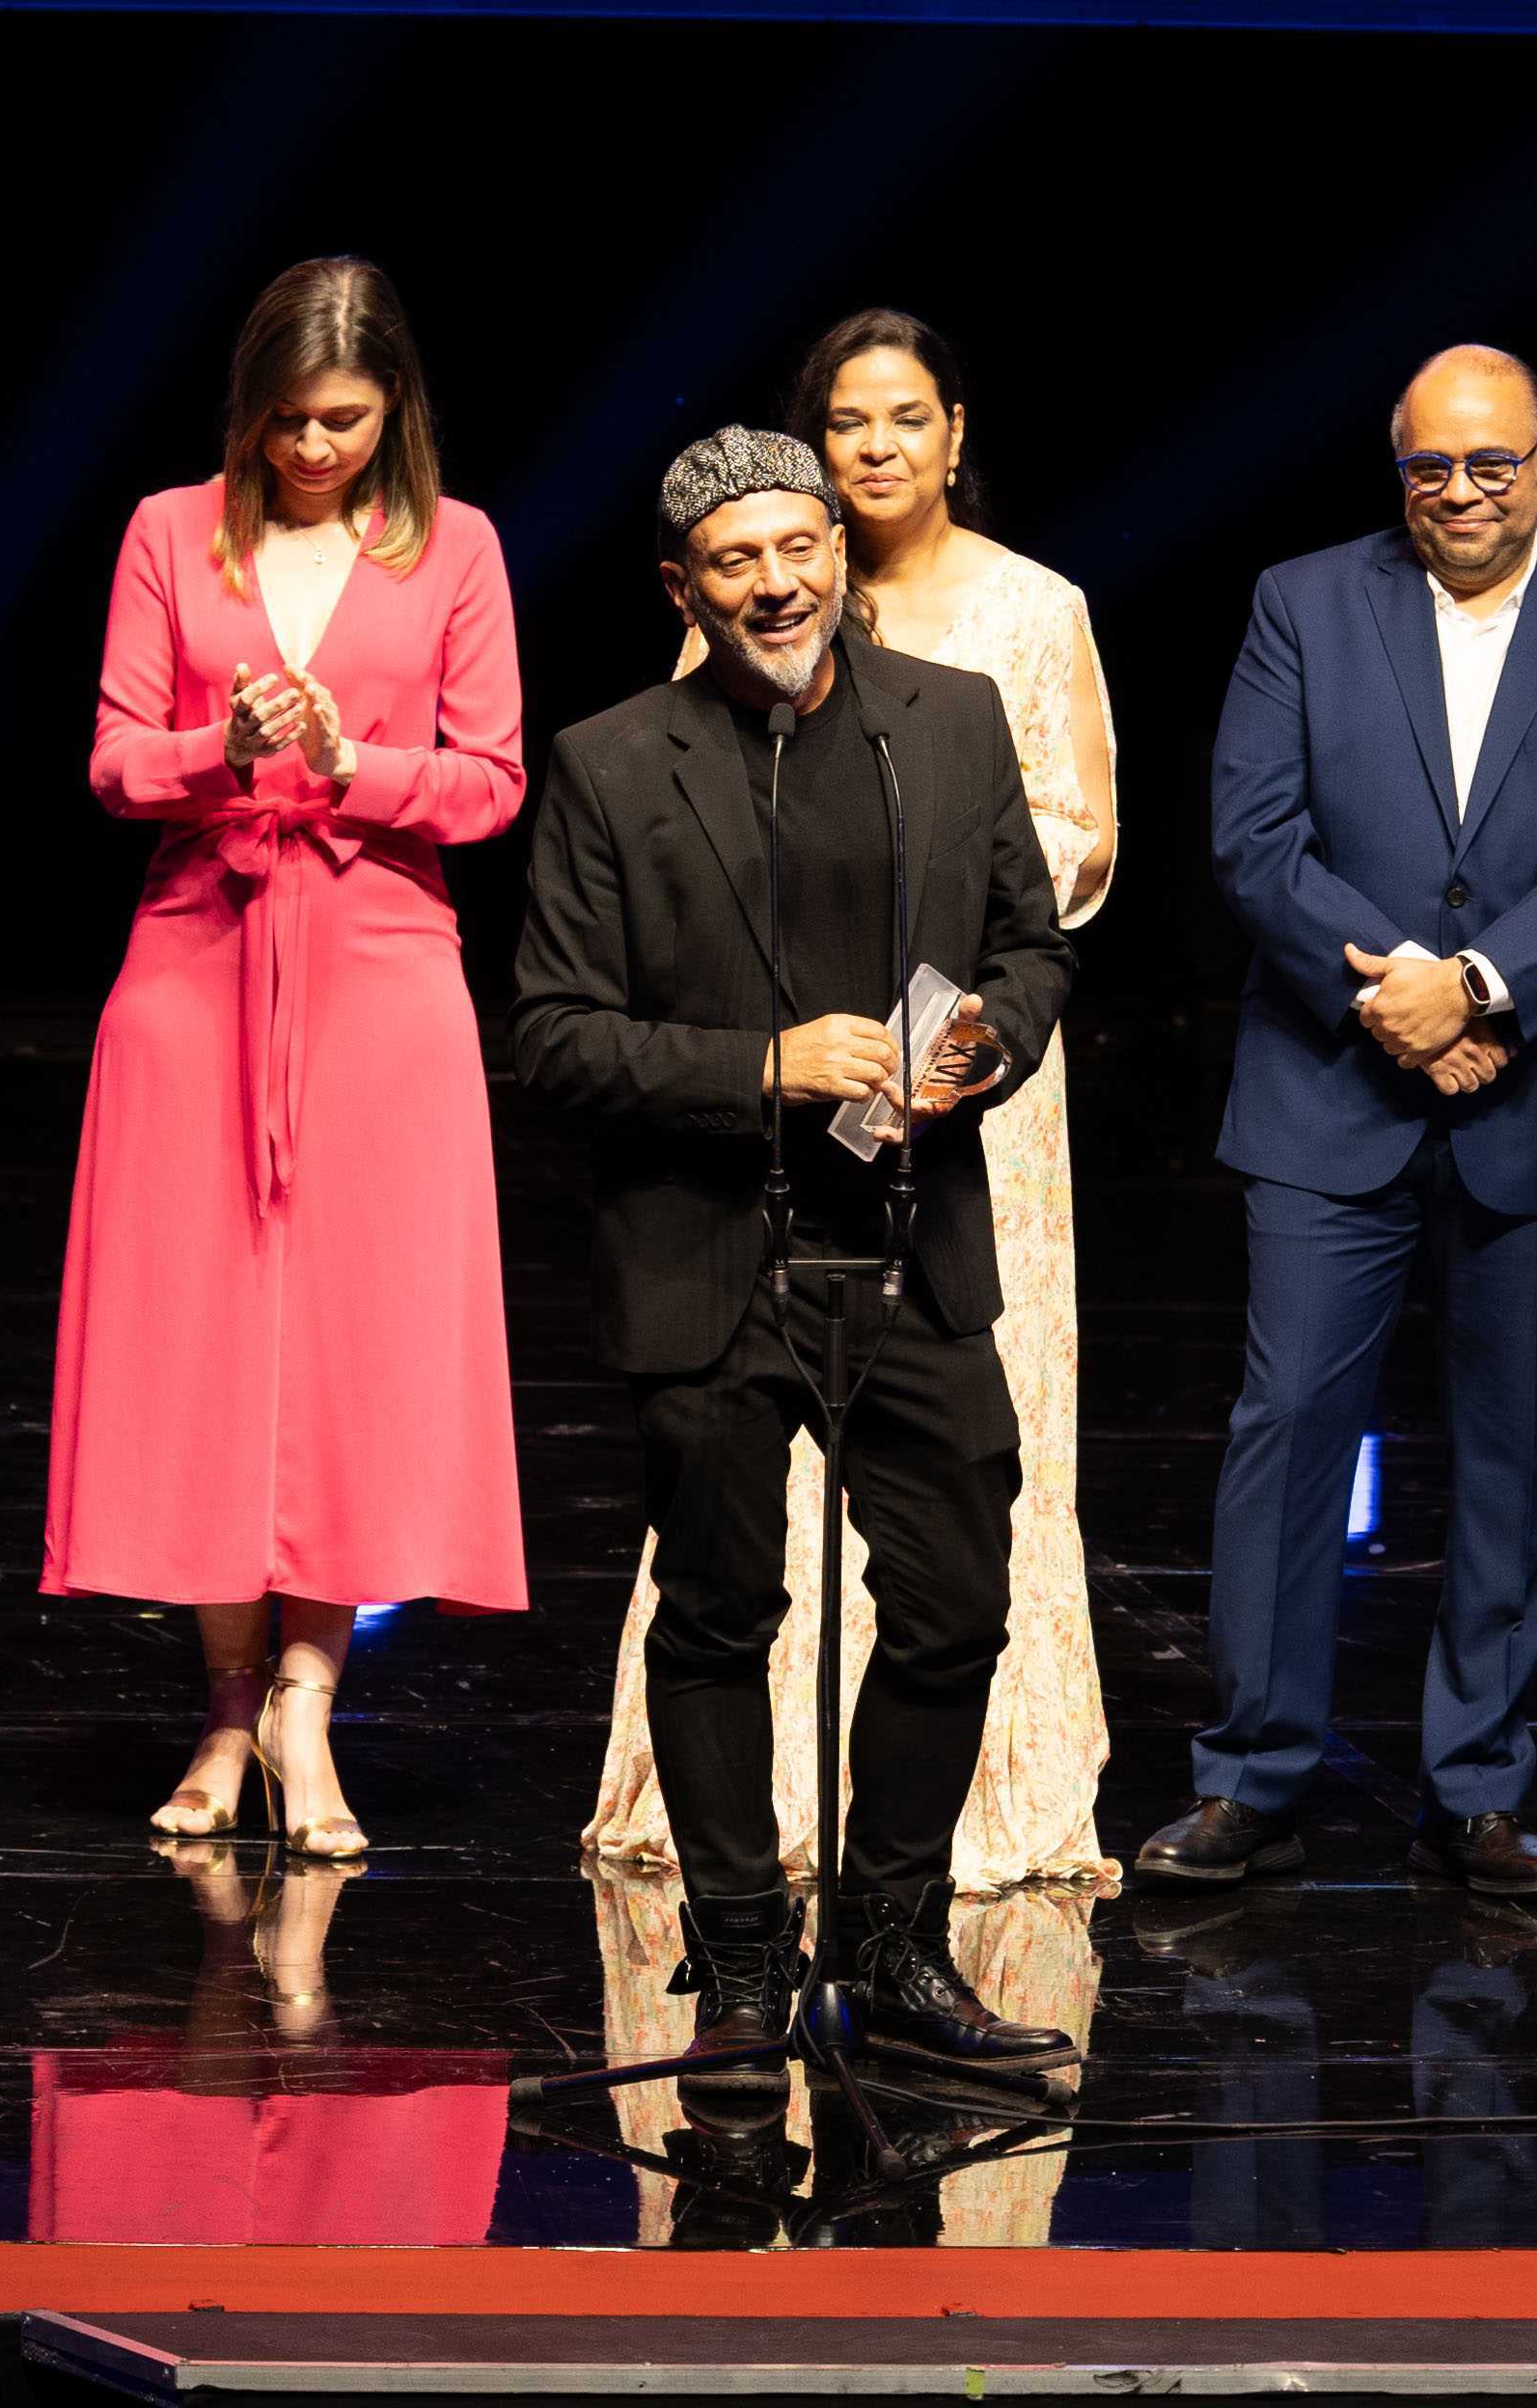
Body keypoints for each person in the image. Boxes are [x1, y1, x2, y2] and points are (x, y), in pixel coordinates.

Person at [512, 428, 1079, 2088]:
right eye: (739, 560)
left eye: (802, 547)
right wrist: (767, 1066)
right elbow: (552, 1034)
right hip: (710, 1251)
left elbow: (1032, 948)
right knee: (718, 1614)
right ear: (684, 587)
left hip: (907, 1243)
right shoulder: (616, 760)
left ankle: (895, 1950)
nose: (781, 583)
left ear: (839, 548)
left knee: (957, 1598)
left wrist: (982, 1043)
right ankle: (746, 1960)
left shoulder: (951, 723)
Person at [1137, 345, 1537, 1898]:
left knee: (1517, 1452)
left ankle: (1478, 1790)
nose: (1459, 493)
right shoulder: (1300, 602)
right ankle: (1253, 1776)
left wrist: (1483, 988)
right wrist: (1400, 1000)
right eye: (1429, 467)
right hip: (1334, 1082)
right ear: (1398, 469)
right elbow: (1255, 841)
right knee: (1284, 1433)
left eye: (1489, 464)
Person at [583, 309, 1119, 1895]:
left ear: (956, 431)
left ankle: (926, 1875)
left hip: (950, 1102)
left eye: (904, 419)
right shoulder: (736, 618)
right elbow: (688, 877)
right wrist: (777, 1050)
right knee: (733, 1541)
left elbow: (1061, 866)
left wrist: (949, 1031)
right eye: (845, 422)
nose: (875, 447)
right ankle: (749, 1903)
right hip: (751, 1137)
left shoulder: (1016, 625)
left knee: (958, 1516)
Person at [45, 258, 530, 1858]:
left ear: (394, 408)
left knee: (351, 1351)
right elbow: (117, 760)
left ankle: (312, 1711)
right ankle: (224, 1708)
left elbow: (490, 783)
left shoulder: (454, 546)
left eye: (344, 418)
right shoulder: (168, 531)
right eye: (286, 420)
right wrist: (224, 751)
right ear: (245, 411)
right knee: (202, 1350)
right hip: (198, 965)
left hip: (384, 979)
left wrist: (351, 760)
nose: (313, 448)